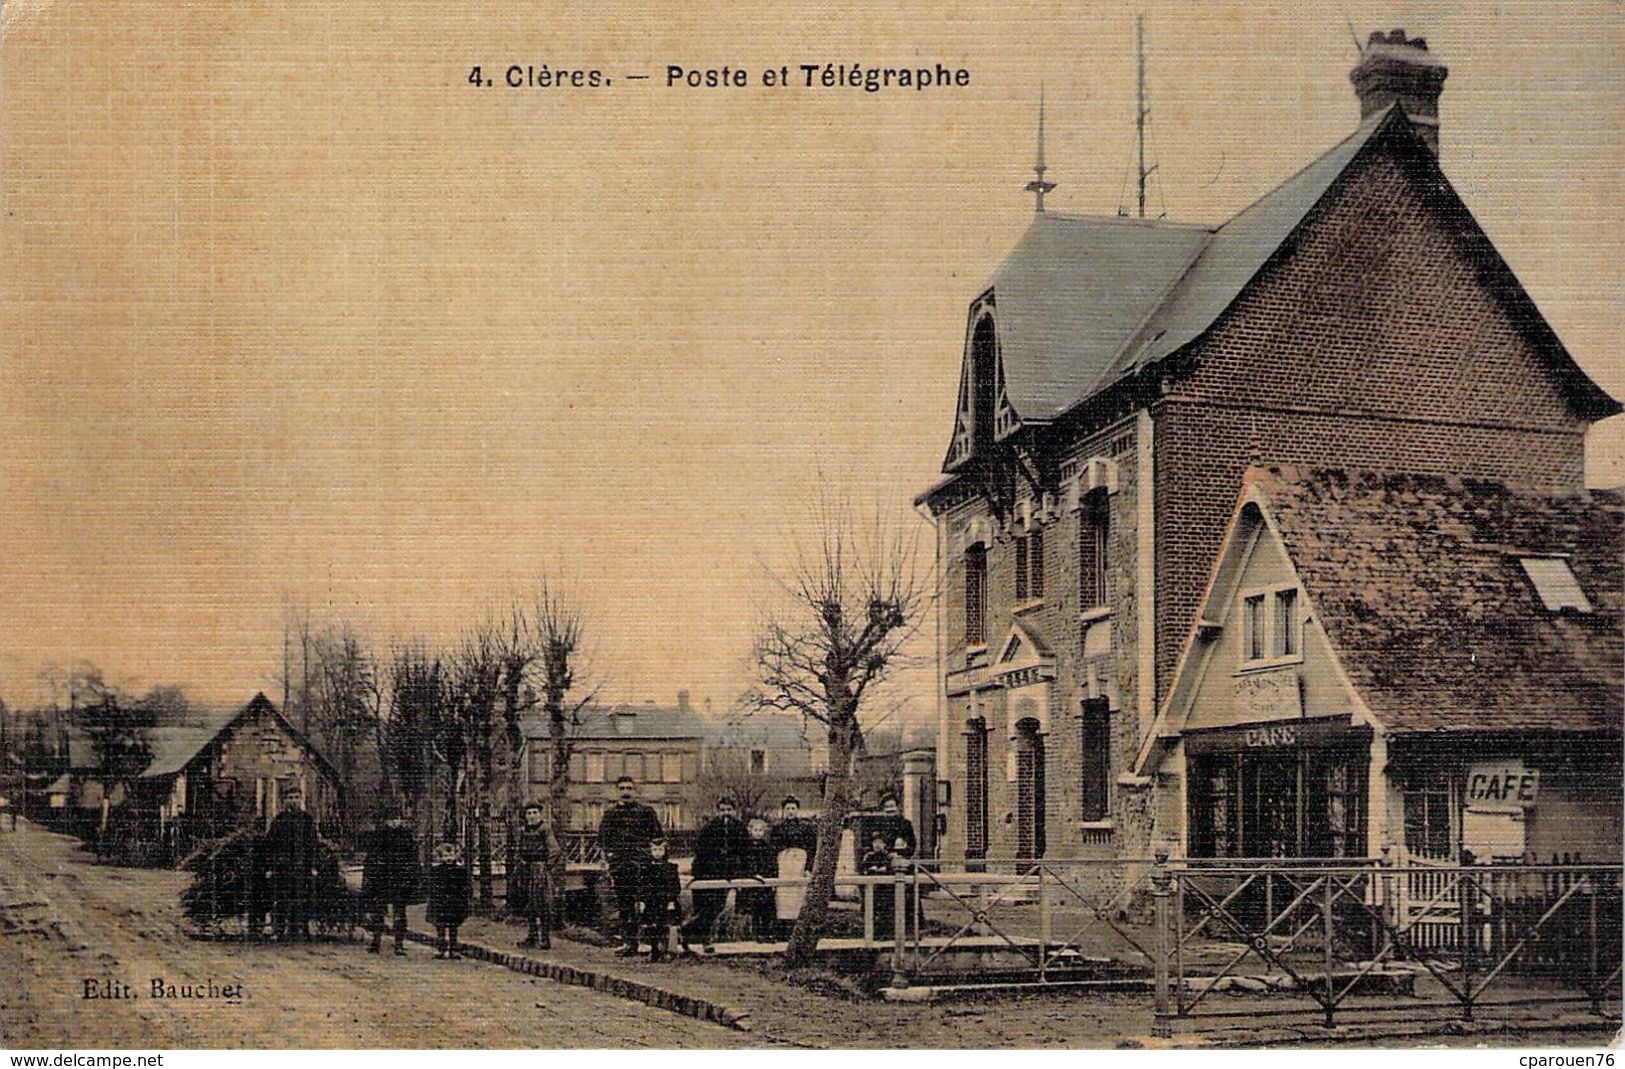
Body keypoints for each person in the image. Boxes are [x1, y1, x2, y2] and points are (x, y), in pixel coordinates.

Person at [597, 776, 662, 955]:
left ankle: (653, 944)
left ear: (635, 791)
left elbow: (658, 838)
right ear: (617, 791)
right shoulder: (610, 815)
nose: (626, 792)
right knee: (625, 904)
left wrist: (654, 859)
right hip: (621, 866)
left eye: (629, 788)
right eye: (622, 788)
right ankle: (630, 943)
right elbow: (602, 841)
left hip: (643, 865)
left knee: (649, 903)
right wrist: (610, 858)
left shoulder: (647, 812)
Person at [682, 795, 750, 952]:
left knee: (717, 907)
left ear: (735, 811)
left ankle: (686, 930)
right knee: (704, 907)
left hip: (728, 874)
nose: (726, 813)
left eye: (729, 810)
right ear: (717, 811)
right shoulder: (709, 828)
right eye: (722, 810)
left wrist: (742, 871)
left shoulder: (740, 828)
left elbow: (745, 851)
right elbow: (700, 851)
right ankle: (703, 941)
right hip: (707, 872)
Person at [362, 811, 418, 955]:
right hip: (382, 879)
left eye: (396, 819)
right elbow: (371, 858)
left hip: (400, 879)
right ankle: (376, 941)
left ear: (400, 820)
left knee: (400, 912)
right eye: (391, 819)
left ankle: (399, 944)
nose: (394, 822)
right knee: (378, 912)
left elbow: (413, 858)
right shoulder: (379, 835)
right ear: (386, 821)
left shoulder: (406, 836)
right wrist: (371, 876)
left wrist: (412, 876)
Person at [266, 791, 318, 942]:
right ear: (284, 801)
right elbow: (271, 845)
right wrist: (270, 867)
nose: (293, 801)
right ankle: (279, 930)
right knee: (281, 899)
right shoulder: (279, 820)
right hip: (282, 867)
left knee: (299, 898)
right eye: (290, 798)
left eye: (296, 798)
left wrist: (313, 866)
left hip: (301, 866)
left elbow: (312, 845)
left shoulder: (307, 820)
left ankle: (296, 930)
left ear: (301, 799)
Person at [514, 801, 561, 949]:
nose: (532, 816)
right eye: (529, 813)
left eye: (535, 813)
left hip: (539, 870)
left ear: (539, 814)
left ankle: (545, 938)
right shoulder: (523, 830)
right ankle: (532, 936)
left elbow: (555, 849)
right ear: (525, 815)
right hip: (526, 869)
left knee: (542, 903)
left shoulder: (545, 829)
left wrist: (546, 866)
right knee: (529, 903)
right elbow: (519, 849)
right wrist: (520, 861)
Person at [875, 791, 922, 937]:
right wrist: (886, 853)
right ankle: (885, 929)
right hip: (885, 865)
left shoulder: (905, 824)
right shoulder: (879, 825)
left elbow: (912, 845)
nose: (890, 810)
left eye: (892, 806)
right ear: (883, 810)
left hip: (902, 865)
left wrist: (902, 854)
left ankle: (911, 927)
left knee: (908, 896)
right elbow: (875, 845)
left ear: (898, 807)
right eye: (887, 807)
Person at [771, 795, 817, 934]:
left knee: (799, 896)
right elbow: (773, 851)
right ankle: (784, 931)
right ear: (784, 811)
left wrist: (808, 868)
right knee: (784, 897)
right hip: (784, 866)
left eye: (793, 808)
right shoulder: (777, 829)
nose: (790, 811)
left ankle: (799, 931)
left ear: (797, 810)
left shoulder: (806, 828)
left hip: (800, 865)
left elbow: (812, 850)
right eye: (788, 808)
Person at [636, 838, 682, 962]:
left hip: (665, 901)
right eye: (654, 850)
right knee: (651, 926)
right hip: (651, 901)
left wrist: (672, 900)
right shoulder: (645, 868)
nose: (657, 853)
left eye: (660, 850)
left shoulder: (671, 868)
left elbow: (675, 886)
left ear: (665, 851)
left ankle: (665, 951)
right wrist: (641, 901)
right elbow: (641, 886)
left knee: (664, 925)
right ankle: (654, 950)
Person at [427, 841, 471, 959]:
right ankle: (441, 948)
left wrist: (463, 899)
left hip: (454, 902)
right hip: (441, 902)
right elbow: (433, 887)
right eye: (445, 856)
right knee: (440, 927)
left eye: (451, 855)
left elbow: (464, 887)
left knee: (453, 927)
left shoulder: (460, 871)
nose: (449, 859)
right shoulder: (436, 871)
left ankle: (453, 948)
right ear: (440, 857)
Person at [739, 817, 779, 942]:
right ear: (750, 831)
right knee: (755, 909)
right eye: (755, 830)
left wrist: (773, 879)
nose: (758, 833)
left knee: (768, 909)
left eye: (761, 830)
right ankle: (757, 934)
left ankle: (768, 933)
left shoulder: (767, 847)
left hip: (766, 883)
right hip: (754, 883)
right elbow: (745, 864)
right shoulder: (746, 848)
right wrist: (753, 874)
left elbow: (773, 864)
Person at [859, 832, 896, 942]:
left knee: (886, 912)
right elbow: (864, 871)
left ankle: (886, 934)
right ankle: (871, 935)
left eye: (880, 842)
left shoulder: (889, 857)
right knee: (871, 912)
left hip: (885, 891)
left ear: (885, 844)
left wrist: (878, 870)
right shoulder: (869, 857)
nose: (877, 845)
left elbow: (891, 871)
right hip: (872, 890)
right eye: (875, 842)